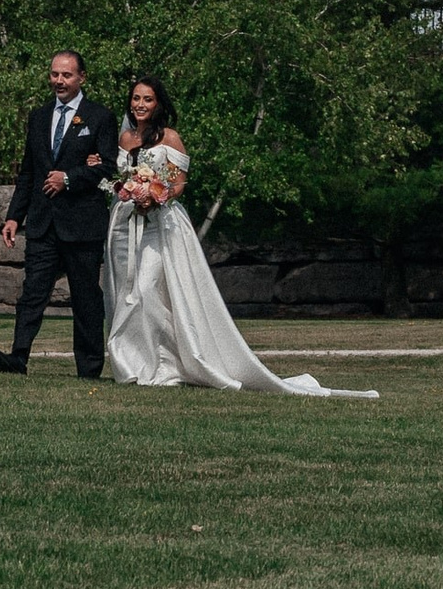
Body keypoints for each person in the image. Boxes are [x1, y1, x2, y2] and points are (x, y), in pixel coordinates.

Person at [101, 75, 376, 398]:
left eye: (147, 99)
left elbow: (178, 183)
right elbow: (118, 175)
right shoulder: (125, 138)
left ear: (158, 103)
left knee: (148, 288)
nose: (140, 105)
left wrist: (156, 195)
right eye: (136, 99)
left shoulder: (170, 138)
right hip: (124, 224)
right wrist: (128, 189)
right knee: (127, 292)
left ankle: (168, 362)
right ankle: (136, 364)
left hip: (160, 225)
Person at [0, 51, 120, 378]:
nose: (59, 81)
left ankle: (89, 369)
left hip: (82, 224)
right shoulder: (38, 117)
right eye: (54, 74)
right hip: (43, 223)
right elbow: (29, 172)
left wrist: (69, 179)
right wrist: (14, 217)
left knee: (86, 298)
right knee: (32, 292)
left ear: (81, 78)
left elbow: (108, 168)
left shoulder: (100, 117)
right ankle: (18, 357)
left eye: (67, 75)